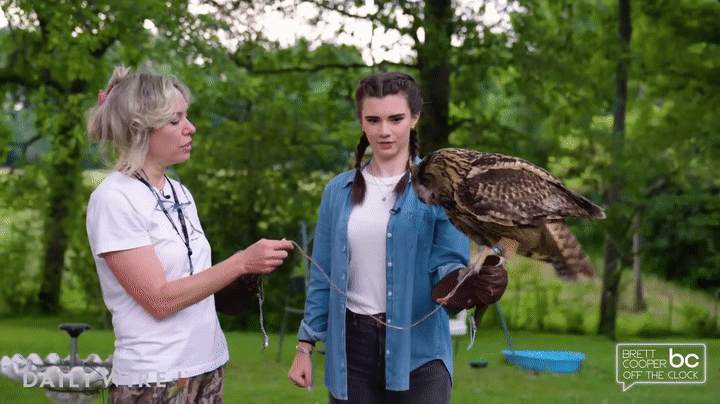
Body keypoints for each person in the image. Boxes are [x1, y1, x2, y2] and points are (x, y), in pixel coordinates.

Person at [287, 72, 506, 403]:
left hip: (419, 349)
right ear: (361, 122)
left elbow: (447, 264)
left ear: (414, 118)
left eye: (395, 119)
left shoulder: (442, 191)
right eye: (373, 120)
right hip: (351, 350)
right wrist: (305, 345)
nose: (384, 131)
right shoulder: (337, 192)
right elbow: (322, 275)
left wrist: (470, 281)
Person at [85, 66, 293, 403]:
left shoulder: (178, 191)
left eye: (187, 116)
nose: (190, 127)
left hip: (206, 367)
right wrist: (240, 262)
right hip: (154, 379)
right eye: (175, 120)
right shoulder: (114, 199)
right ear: (141, 129)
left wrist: (242, 275)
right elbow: (160, 300)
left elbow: (192, 279)